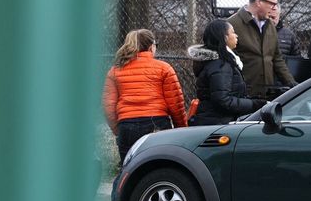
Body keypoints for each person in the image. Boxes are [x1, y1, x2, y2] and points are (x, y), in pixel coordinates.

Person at [102, 29, 187, 163]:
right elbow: (176, 104)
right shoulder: (164, 68)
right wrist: (181, 128)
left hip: (127, 125)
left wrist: (118, 129)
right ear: (151, 47)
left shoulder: (115, 71)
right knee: (159, 168)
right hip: (157, 124)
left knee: (129, 170)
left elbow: (108, 105)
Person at [188, 19, 265, 126]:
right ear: (224, 37)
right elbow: (223, 100)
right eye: (233, 32)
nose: (236, 36)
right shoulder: (220, 65)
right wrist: (254, 104)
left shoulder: (221, 62)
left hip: (215, 121)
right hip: (216, 124)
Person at [226, 0, 296, 101]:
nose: (274, 8)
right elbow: (225, 61)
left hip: (267, 96)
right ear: (259, 2)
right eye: (272, 4)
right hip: (242, 97)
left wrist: (293, 85)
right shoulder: (231, 25)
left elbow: (277, 59)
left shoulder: (270, 25)